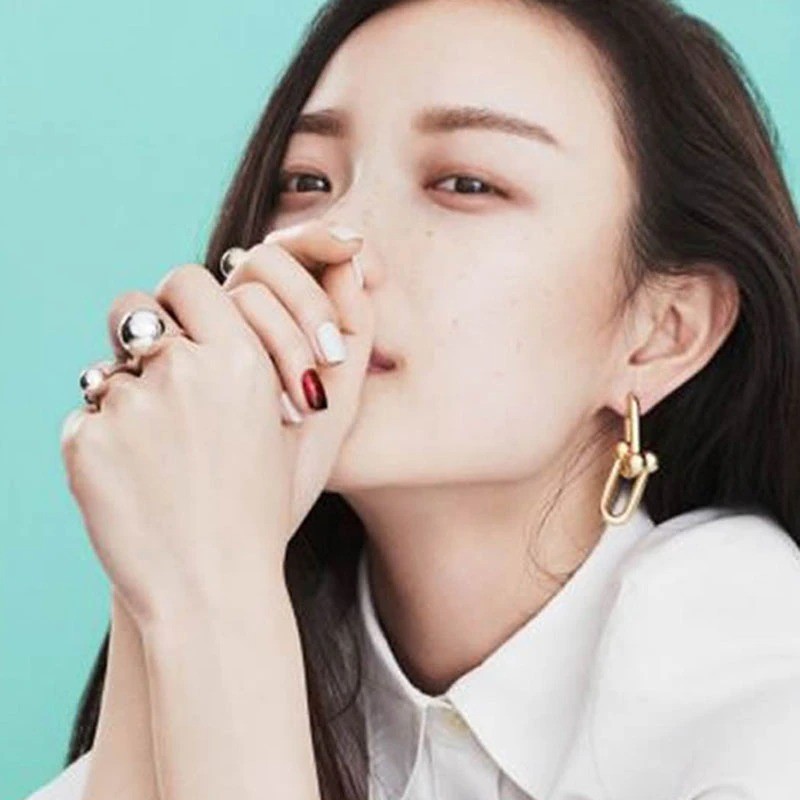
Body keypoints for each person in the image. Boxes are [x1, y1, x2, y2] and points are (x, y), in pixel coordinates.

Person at [21, 0, 800, 798]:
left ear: (662, 332)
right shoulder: (294, 642)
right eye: (307, 181)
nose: (340, 241)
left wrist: (210, 587)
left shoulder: (759, 664)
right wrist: (165, 557)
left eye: (466, 183)